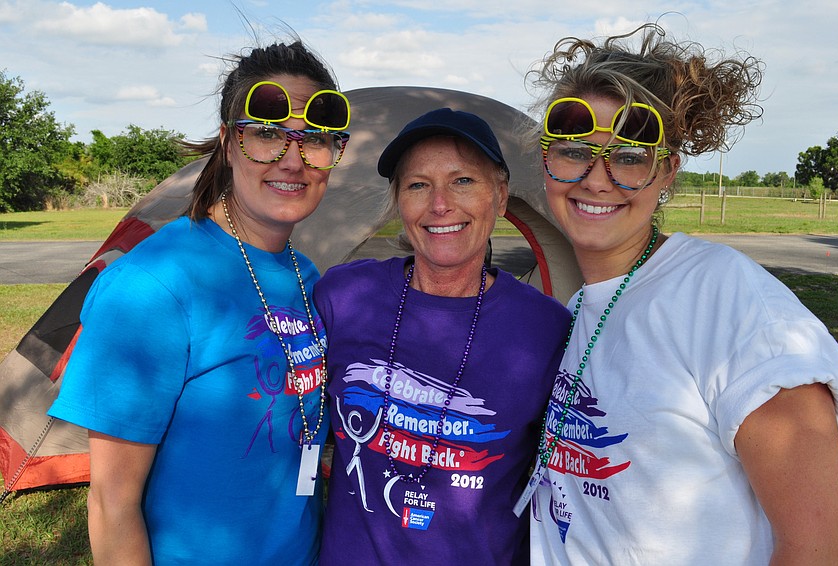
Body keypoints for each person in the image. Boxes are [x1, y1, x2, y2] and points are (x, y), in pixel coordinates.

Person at [520, 24, 838, 565]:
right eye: (575, 152)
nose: (597, 179)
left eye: (630, 157)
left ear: (668, 171)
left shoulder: (729, 304)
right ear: (546, 163)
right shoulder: (581, 307)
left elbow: (821, 550)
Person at [48, 39, 350, 565]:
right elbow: (112, 505)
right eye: (267, 134)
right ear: (228, 144)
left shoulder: (304, 276)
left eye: (315, 141)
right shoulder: (151, 286)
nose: (293, 160)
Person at [314, 108, 570, 565]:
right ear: (398, 201)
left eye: (463, 181)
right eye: (418, 185)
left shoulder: (546, 328)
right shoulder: (344, 296)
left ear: (501, 196)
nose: (439, 205)